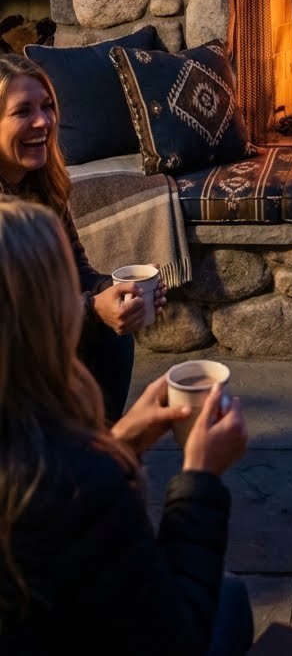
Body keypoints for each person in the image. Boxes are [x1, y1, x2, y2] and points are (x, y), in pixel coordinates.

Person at [0, 199, 253, 656]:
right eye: (62, 285)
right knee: (230, 599)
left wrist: (120, 442)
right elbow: (173, 641)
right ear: (42, 315)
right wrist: (199, 479)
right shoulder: (81, 487)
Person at [0, 53, 165, 422]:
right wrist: (92, 308)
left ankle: (96, 447)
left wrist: (121, 291)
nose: (43, 121)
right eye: (22, 111)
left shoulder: (41, 185)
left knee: (111, 331)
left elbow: (77, 268)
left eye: (47, 106)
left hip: (43, 330)